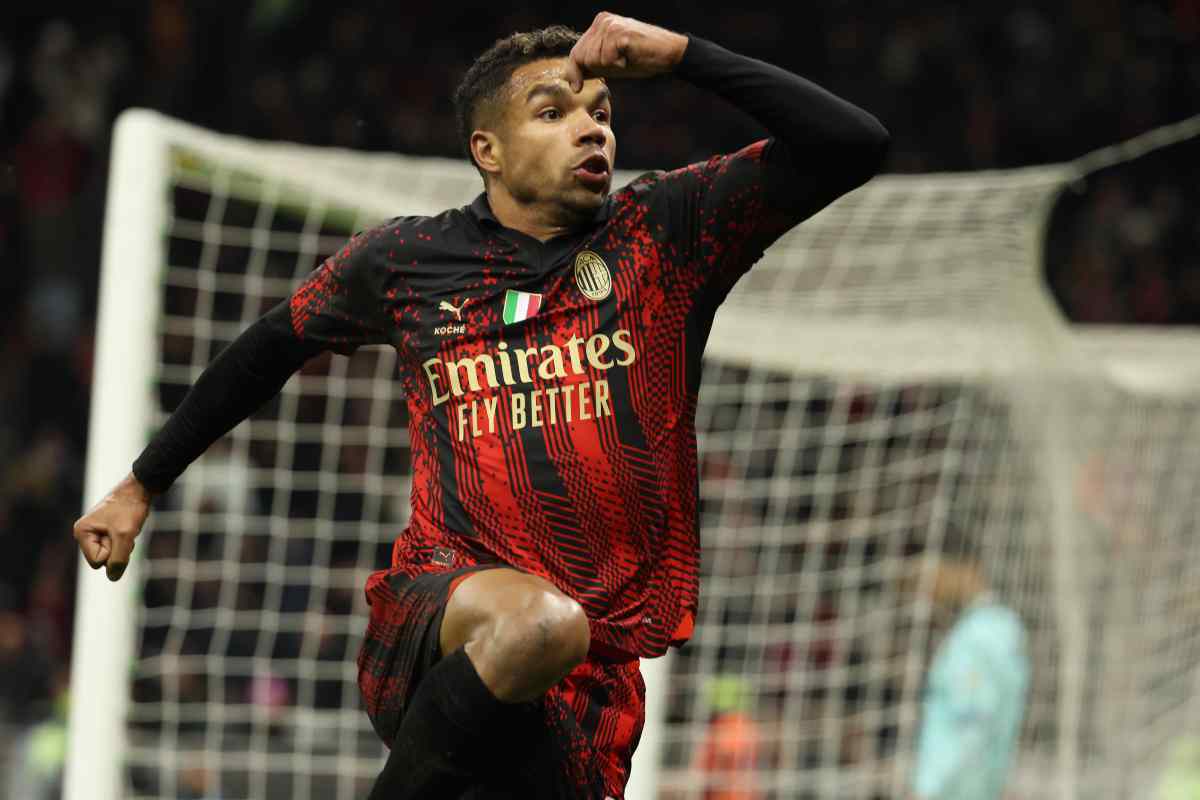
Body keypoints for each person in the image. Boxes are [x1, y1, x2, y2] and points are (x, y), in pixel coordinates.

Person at [73, 12, 888, 798]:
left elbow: (852, 143)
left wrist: (682, 55)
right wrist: (142, 483)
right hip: (440, 612)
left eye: (602, 113)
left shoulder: (664, 234)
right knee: (541, 625)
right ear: (486, 150)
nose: (592, 130)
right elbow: (268, 348)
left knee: (554, 639)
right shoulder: (409, 259)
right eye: (554, 112)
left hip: (592, 686)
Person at [909, 555, 1030, 800]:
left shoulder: (974, 639)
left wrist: (928, 789)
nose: (927, 592)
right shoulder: (1007, 627)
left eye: (931, 577)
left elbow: (968, 724)